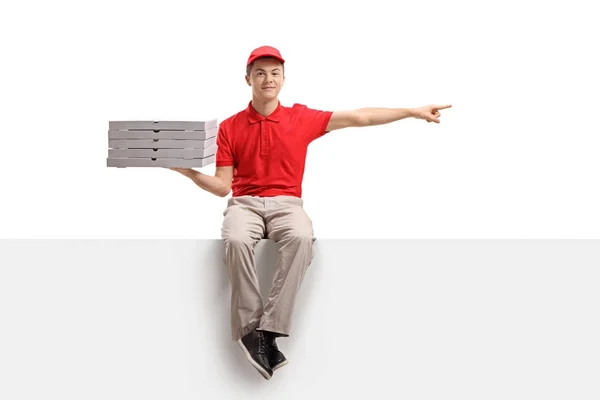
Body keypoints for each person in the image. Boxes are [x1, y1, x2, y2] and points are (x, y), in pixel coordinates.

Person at [170, 45, 452, 380]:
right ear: (248, 79)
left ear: (284, 79)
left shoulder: (300, 118)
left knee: (303, 237)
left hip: (288, 204)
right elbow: (222, 186)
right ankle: (249, 331)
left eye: (275, 73)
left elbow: (360, 116)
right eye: (260, 73)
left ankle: (270, 332)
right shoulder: (230, 127)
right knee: (235, 237)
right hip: (244, 203)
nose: (268, 79)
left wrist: (411, 110)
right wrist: (189, 173)